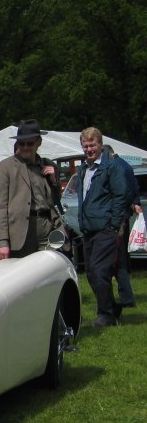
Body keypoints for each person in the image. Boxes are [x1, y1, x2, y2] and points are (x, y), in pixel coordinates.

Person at [77, 127, 130, 327]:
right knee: (91, 272)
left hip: (105, 228)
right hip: (88, 228)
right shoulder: (84, 169)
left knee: (99, 270)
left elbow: (120, 196)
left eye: (92, 145)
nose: (89, 149)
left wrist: (113, 224)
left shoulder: (111, 167)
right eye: (86, 146)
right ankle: (112, 308)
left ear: (100, 144)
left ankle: (106, 314)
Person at [0, 119, 60, 259]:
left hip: (46, 230)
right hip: (21, 234)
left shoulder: (47, 165)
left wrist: (54, 182)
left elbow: (55, 202)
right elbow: (0, 206)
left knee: (49, 274)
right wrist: (2, 242)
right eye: (21, 143)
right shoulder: (7, 166)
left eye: (29, 143)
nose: (24, 147)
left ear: (39, 142)